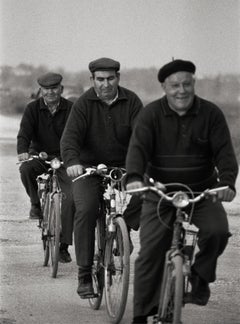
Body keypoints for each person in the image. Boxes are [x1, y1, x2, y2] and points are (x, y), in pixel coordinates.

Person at [125, 59, 239, 324]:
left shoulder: (211, 114)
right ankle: (141, 314)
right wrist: (133, 178)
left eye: (187, 84)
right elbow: (138, 150)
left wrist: (227, 183)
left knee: (217, 232)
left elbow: (225, 153)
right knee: (150, 252)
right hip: (161, 191)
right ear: (164, 87)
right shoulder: (150, 115)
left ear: (194, 83)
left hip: (202, 192)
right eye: (174, 85)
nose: (181, 90)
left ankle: (200, 277)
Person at [60, 57, 143, 298]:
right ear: (92, 80)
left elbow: (144, 135)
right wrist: (73, 163)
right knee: (85, 210)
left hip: (125, 166)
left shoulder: (132, 101)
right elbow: (70, 138)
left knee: (148, 189)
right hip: (89, 168)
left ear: (118, 77)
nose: (105, 84)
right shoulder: (84, 104)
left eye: (110, 78)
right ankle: (84, 273)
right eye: (100, 79)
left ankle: (124, 228)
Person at [17, 72, 75, 263]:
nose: (50, 92)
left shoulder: (72, 109)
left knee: (71, 198)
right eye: (46, 89)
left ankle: (64, 246)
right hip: (40, 156)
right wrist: (23, 151)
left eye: (54, 88)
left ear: (61, 89)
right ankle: (35, 204)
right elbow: (24, 133)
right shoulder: (32, 109)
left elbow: (79, 134)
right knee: (26, 169)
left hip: (64, 158)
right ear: (40, 90)